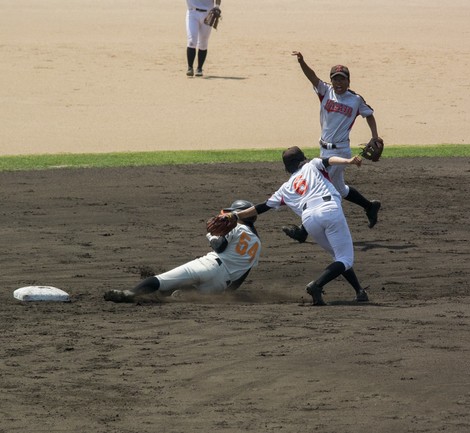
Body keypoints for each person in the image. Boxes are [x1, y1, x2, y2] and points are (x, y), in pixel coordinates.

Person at [221, 147, 369, 306]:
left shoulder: (285, 188)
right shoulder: (312, 165)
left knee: (338, 256)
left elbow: (261, 207)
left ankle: (359, 291)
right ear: (303, 159)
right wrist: (349, 161)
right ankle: (316, 285)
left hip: (309, 220)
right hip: (329, 210)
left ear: (286, 168)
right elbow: (330, 160)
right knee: (345, 258)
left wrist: (236, 215)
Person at [283, 51, 382, 243]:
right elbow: (312, 77)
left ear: (348, 81)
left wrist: (375, 136)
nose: (338, 83)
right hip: (324, 149)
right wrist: (302, 61)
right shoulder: (325, 91)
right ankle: (369, 206)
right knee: (339, 189)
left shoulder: (355, 99)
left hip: (340, 151)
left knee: (319, 184)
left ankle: (303, 231)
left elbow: (369, 114)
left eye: (342, 79)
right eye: (335, 79)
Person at [104, 199, 260, 303]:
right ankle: (184, 294)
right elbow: (243, 274)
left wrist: (212, 237)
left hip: (209, 266)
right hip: (221, 284)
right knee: (189, 292)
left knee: (162, 280)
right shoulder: (257, 244)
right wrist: (226, 291)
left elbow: (220, 247)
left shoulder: (236, 227)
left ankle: (130, 293)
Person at [185, 0, 222, 77]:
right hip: (192, 13)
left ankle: (199, 68)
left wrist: (217, 6)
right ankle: (190, 67)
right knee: (191, 40)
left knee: (203, 43)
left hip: (208, 13)